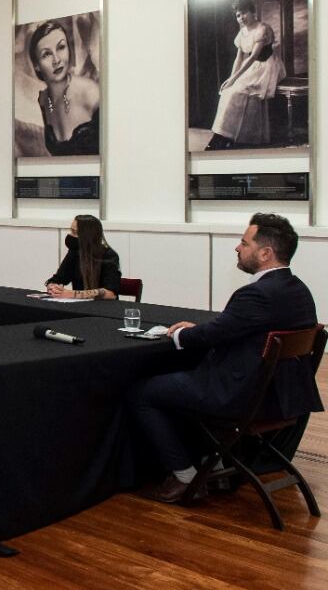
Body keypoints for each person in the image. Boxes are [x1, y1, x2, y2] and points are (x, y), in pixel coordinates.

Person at [128, 213, 320, 504]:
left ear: (265, 253)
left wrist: (177, 335)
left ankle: (184, 475)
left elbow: (212, 336)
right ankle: (214, 463)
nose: (237, 248)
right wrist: (207, 330)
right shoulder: (299, 290)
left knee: (142, 392)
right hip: (281, 398)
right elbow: (235, 328)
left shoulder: (257, 294)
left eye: (244, 243)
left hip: (240, 398)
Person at [205, 0, 285, 150]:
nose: (241, 17)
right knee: (229, 90)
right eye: (238, 15)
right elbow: (239, 58)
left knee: (241, 91)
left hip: (266, 65)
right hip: (252, 66)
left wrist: (236, 78)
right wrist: (231, 79)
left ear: (253, 12)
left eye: (244, 13)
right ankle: (224, 135)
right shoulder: (242, 33)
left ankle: (239, 136)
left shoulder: (262, 29)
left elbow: (254, 56)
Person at [29, 20, 100, 156]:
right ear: (36, 65)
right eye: (46, 54)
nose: (56, 60)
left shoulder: (91, 93)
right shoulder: (41, 101)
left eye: (61, 47)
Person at [45, 214, 121, 300]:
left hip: (102, 308)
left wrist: (71, 294)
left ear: (88, 236)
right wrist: (53, 287)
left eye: (75, 232)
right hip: (79, 306)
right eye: (71, 231)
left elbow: (110, 293)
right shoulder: (75, 252)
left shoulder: (109, 255)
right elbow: (58, 279)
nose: (71, 235)